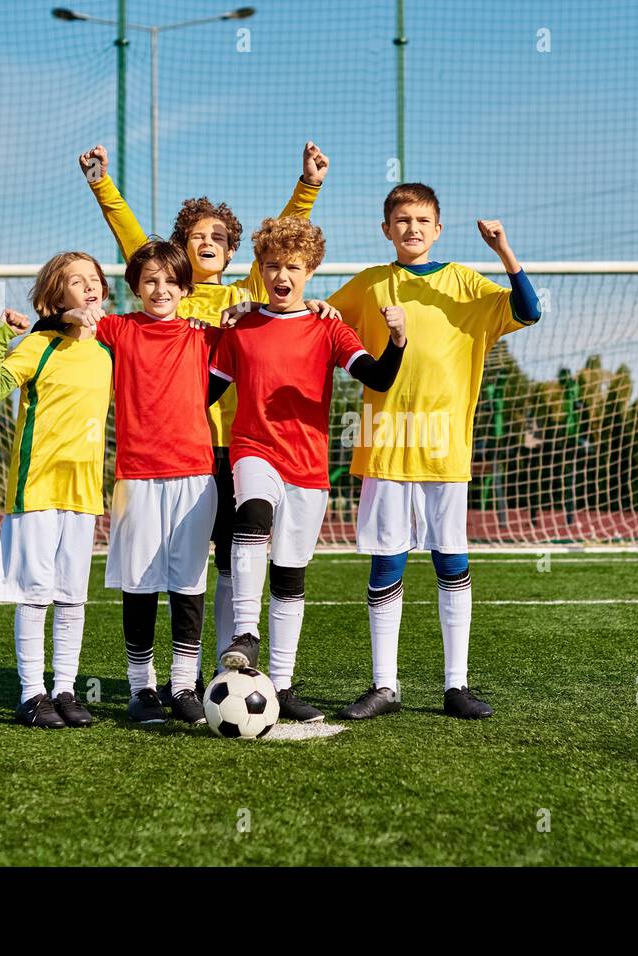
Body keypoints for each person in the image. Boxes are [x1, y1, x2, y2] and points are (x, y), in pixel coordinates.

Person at [78, 142, 330, 690]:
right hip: (175, 454)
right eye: (197, 237)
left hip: (240, 450)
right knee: (174, 570)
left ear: (235, 249)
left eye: (218, 237)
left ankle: (226, 663)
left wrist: (307, 187)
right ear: (180, 247)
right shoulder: (165, 296)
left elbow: (287, 245)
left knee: (229, 562)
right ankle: (168, 677)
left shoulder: (246, 298)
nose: (208, 243)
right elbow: (134, 244)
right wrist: (103, 185)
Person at [324, 184, 542, 719]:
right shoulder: (370, 284)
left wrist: (504, 253)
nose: (412, 228)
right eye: (401, 220)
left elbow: (529, 310)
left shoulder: (465, 283)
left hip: (445, 447)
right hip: (384, 444)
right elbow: (320, 326)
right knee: (387, 562)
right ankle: (384, 686)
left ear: (438, 228)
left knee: (451, 561)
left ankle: (456, 685)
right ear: (386, 229)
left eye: (422, 220)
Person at [209, 217, 406, 721]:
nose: (281, 275)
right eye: (271, 265)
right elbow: (204, 392)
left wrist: (398, 340)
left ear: (310, 270)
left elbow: (378, 378)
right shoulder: (241, 326)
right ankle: (245, 634)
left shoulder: (328, 327)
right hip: (252, 448)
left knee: (291, 575)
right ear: (260, 268)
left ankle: (283, 685)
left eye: (292, 267)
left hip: (308, 466)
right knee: (252, 515)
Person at [63, 240, 219, 726]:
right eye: (150, 281)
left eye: (171, 281)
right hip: (137, 475)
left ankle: (185, 685)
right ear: (133, 288)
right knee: (139, 583)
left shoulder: (204, 337)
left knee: (189, 583)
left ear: (186, 288)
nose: (160, 289)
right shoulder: (118, 329)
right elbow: (62, 313)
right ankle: (141, 689)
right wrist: (75, 314)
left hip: (195, 473)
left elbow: (255, 327)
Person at [0, 252, 113, 729]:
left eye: (94, 279)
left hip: (85, 493)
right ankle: (32, 695)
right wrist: (0, 337)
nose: (90, 287)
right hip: (36, 489)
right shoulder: (38, 347)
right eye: (77, 282)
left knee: (73, 595)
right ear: (58, 295)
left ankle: (67, 690)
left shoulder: (106, 351)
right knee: (36, 594)